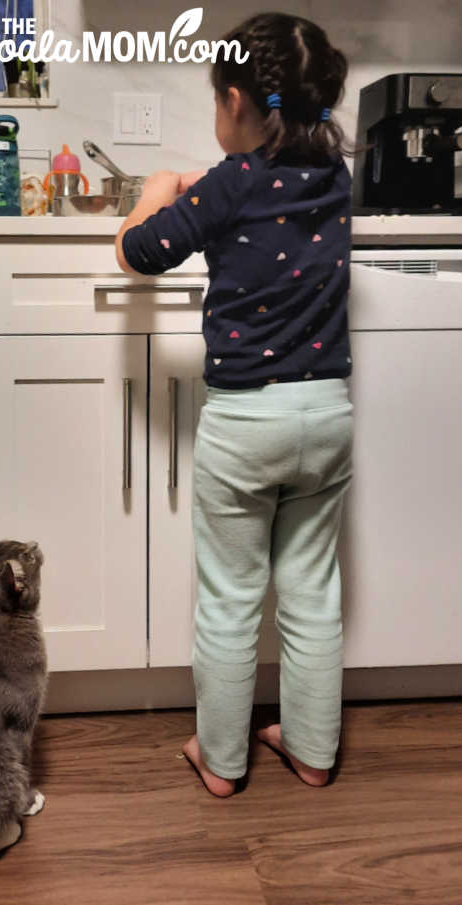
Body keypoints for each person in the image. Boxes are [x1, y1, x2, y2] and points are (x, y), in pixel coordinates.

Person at [115, 12, 355, 797]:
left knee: (231, 598)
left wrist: (157, 188)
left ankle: (222, 761)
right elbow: (266, 198)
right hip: (326, 419)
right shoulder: (334, 178)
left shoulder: (232, 184)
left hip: (246, 424)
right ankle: (313, 750)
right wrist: (208, 183)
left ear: (233, 101)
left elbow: (140, 249)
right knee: (312, 591)